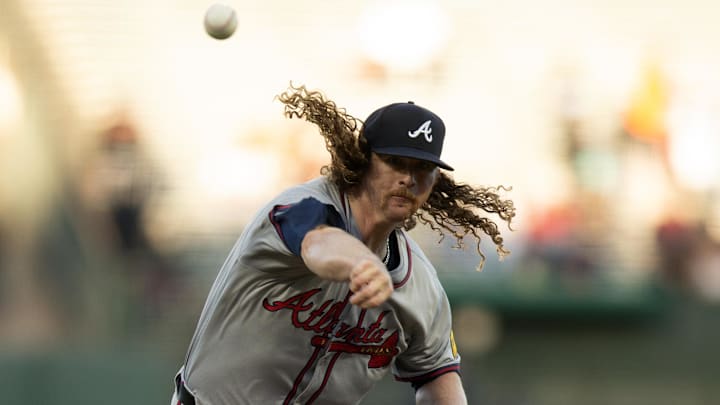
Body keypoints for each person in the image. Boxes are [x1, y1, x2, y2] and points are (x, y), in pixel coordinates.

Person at [171, 84, 515, 405]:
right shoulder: (301, 207)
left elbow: (437, 376)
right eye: (395, 161)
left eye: (423, 168)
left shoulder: (421, 286)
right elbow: (318, 243)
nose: (408, 178)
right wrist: (361, 266)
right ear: (363, 160)